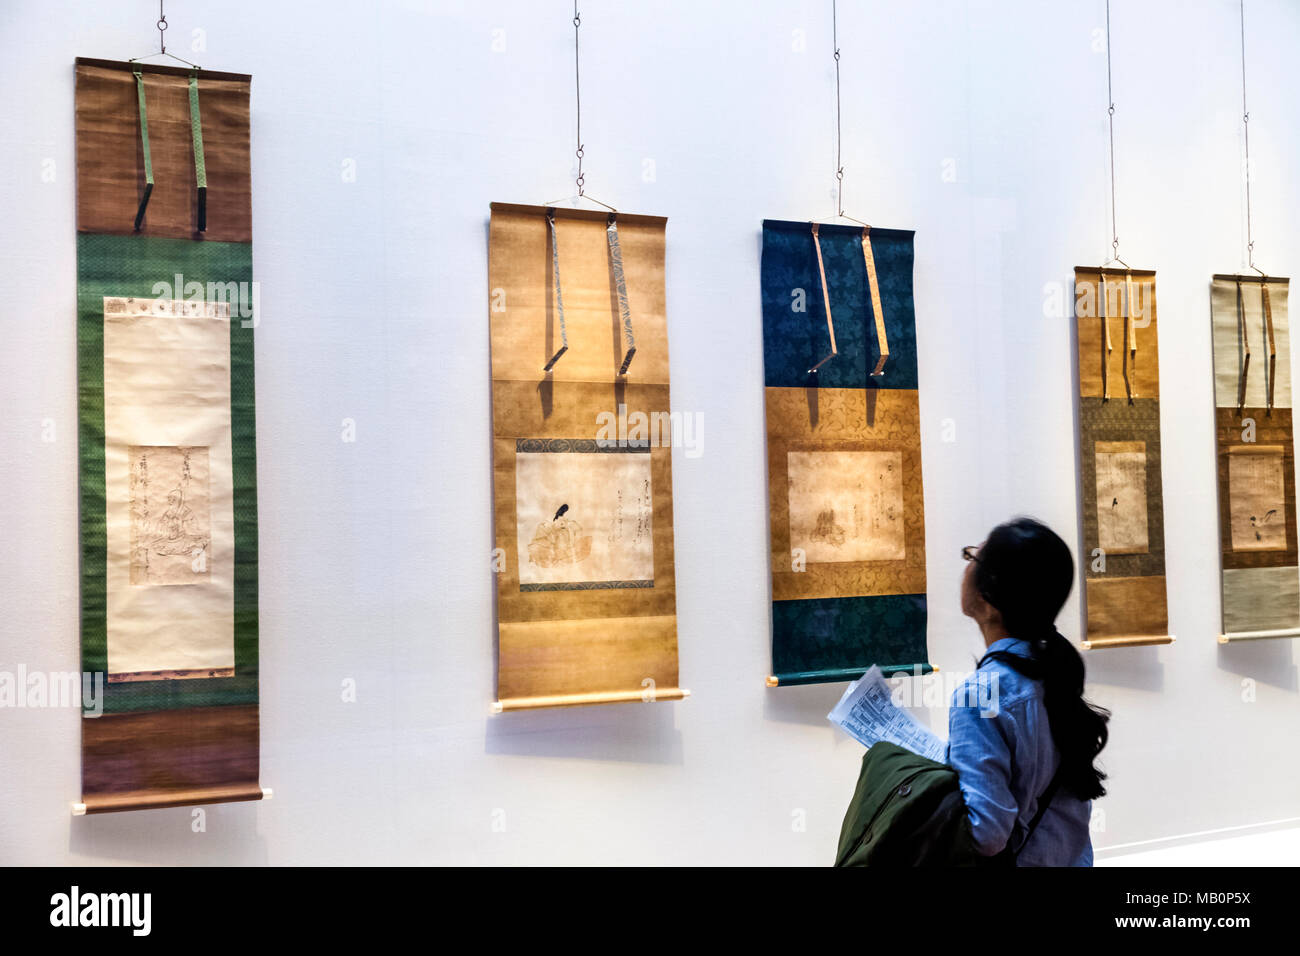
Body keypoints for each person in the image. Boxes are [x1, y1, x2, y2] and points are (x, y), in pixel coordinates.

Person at [948, 517, 1110, 866]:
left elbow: (987, 835)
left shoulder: (980, 694)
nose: (966, 565)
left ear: (990, 599)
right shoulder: (1053, 671)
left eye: (973, 557)